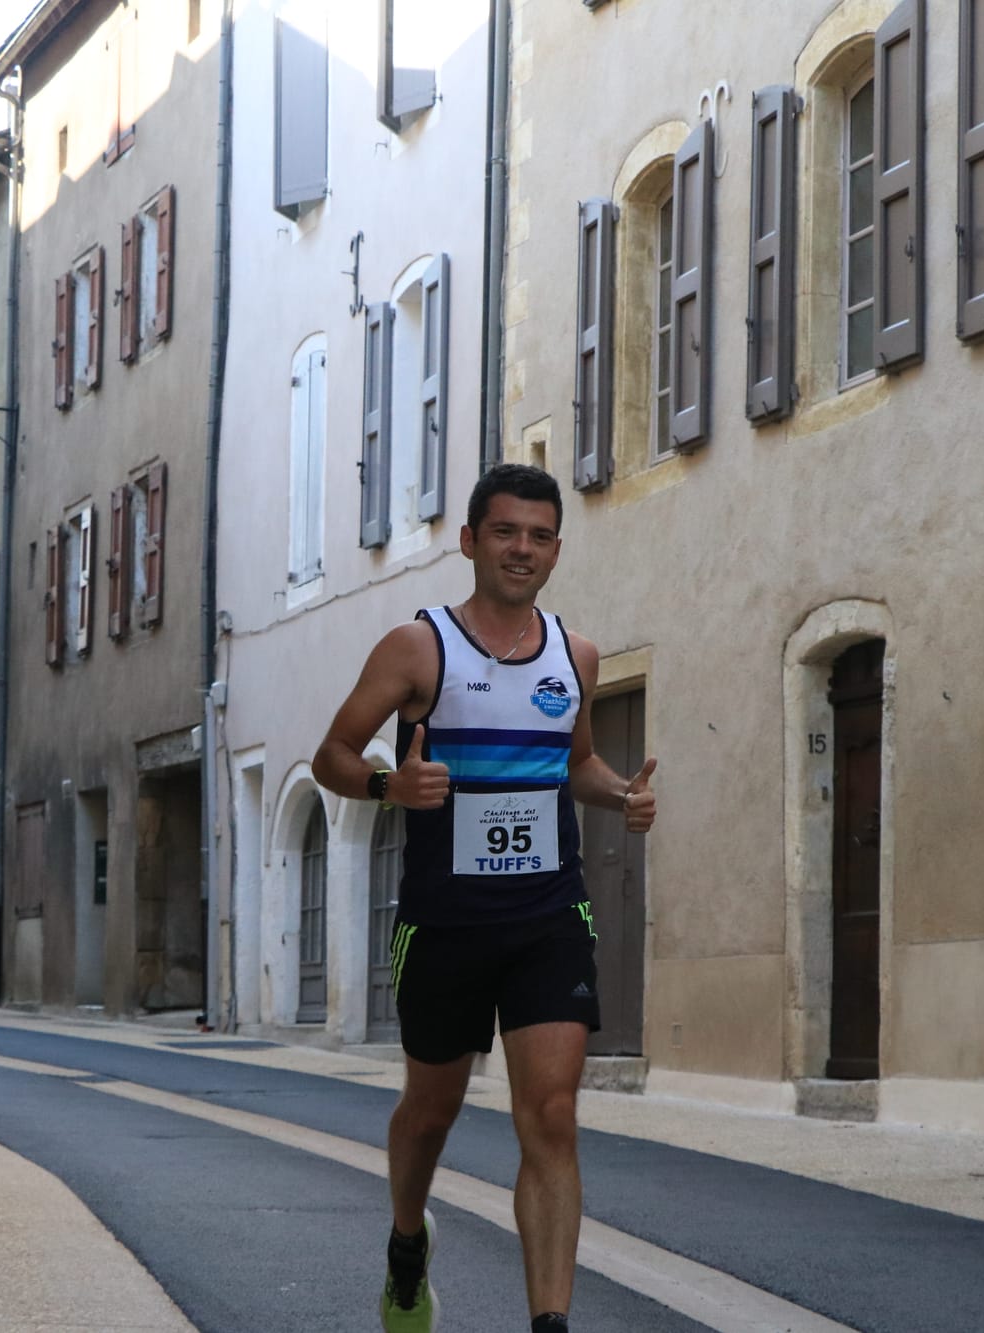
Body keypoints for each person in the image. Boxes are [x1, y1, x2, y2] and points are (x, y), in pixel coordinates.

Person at [312, 463, 657, 1333]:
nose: (521, 549)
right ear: (470, 540)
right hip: (445, 923)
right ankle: (406, 1243)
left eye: (539, 536)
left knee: (552, 1114)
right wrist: (390, 787)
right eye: (505, 531)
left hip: (548, 916)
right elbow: (333, 755)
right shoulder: (418, 647)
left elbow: (576, 763)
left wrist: (621, 793)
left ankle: (550, 1323)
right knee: (431, 1112)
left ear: (556, 550)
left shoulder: (575, 654)